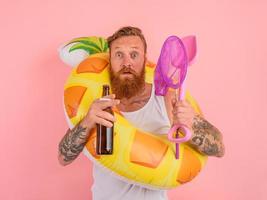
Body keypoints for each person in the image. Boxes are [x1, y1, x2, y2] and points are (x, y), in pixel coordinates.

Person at [58, 26, 225, 200]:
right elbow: (63, 158)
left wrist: (192, 124)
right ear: (110, 60)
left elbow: (219, 148)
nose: (126, 63)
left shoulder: (166, 97)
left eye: (134, 54)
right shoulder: (99, 102)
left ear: (145, 59)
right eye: (119, 54)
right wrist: (87, 121)